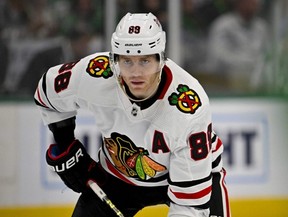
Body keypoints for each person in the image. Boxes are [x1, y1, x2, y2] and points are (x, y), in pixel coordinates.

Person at [34, 12, 231, 217]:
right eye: (127, 61)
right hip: (116, 179)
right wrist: (66, 144)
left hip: (185, 179)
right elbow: (47, 92)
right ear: (114, 60)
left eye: (145, 61)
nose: (136, 73)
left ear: (161, 60)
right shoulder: (96, 73)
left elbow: (189, 206)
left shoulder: (188, 106)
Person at [206, 0, 268, 93]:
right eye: (250, 1)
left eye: (256, 2)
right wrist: (249, 62)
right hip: (226, 86)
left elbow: (268, 55)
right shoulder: (223, 25)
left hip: (257, 86)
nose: (254, 4)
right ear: (239, 3)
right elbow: (218, 57)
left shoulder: (262, 27)